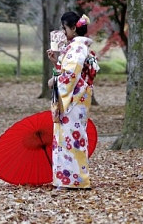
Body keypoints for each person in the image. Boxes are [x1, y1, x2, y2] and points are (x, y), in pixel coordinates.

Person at [47, 11, 99, 191]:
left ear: (73, 29)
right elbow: (69, 71)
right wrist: (57, 63)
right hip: (76, 99)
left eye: (65, 28)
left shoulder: (77, 48)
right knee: (70, 138)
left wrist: (54, 79)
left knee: (71, 138)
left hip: (74, 100)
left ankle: (74, 180)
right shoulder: (78, 47)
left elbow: (70, 75)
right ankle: (70, 179)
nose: (64, 31)